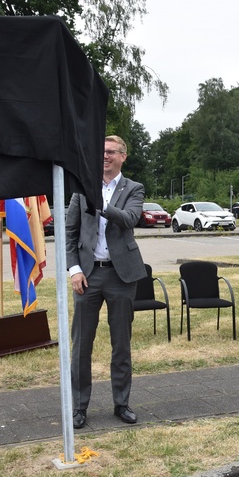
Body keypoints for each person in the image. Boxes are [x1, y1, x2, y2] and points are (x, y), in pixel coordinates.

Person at [66, 135, 146, 428]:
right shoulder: (80, 190)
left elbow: (129, 219)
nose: (105, 157)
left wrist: (100, 203)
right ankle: (78, 407)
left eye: (111, 152)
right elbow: (70, 233)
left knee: (121, 345)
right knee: (81, 345)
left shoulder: (134, 189)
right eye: (100, 152)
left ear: (123, 156)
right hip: (87, 275)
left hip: (121, 276)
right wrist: (74, 269)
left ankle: (121, 403)